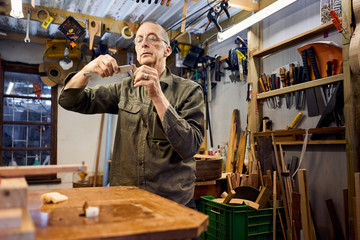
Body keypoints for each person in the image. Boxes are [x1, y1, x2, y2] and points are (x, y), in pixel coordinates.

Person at [59, 22, 205, 208]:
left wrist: (158, 96)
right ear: (136, 50)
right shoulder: (124, 89)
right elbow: (68, 100)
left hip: (172, 202)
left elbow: (189, 146)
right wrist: (87, 70)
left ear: (167, 50)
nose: (144, 44)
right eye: (139, 40)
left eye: (152, 38)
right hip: (125, 199)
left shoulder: (190, 91)